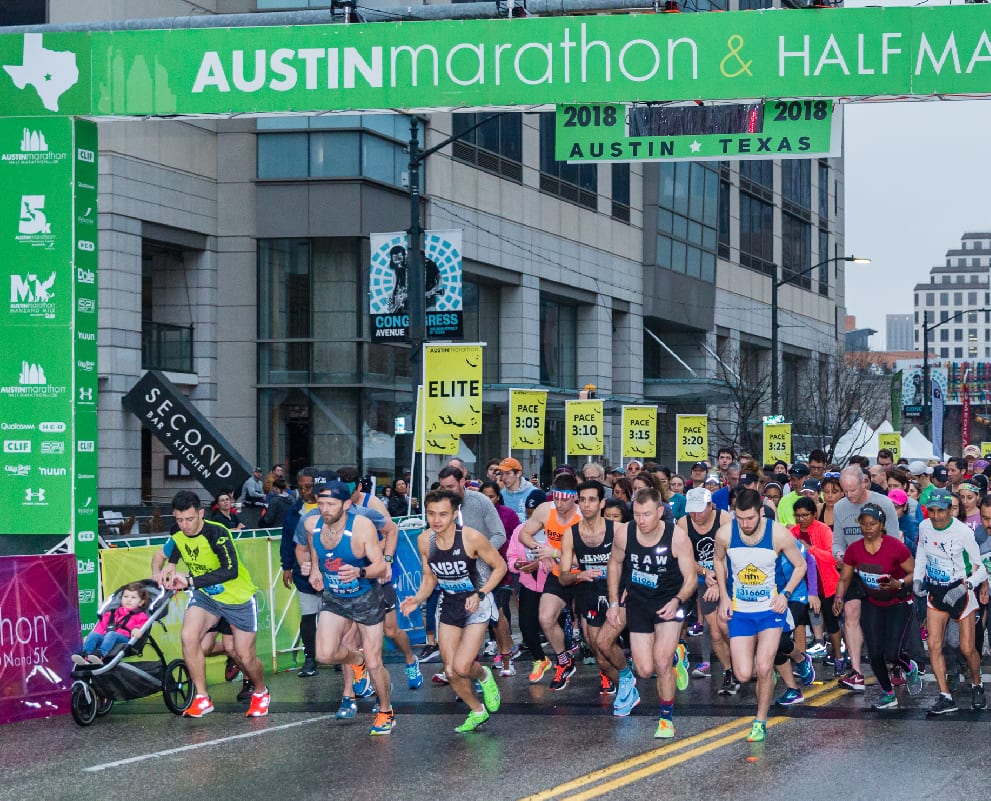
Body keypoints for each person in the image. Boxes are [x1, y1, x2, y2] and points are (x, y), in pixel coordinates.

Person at [152, 490, 269, 718]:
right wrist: (160, 571)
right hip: (207, 597)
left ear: (201, 514)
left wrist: (190, 580)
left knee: (243, 654)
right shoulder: (178, 535)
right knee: (189, 637)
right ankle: (202, 698)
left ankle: (261, 691)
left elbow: (230, 570)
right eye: (179, 519)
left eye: (189, 519)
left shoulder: (217, 532)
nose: (184, 525)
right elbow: (163, 554)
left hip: (237, 598)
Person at [399, 489, 507, 733]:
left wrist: (480, 594)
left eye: (443, 514)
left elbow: (500, 567)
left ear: (455, 514)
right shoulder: (425, 540)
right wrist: (417, 599)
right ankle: (477, 711)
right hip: (450, 602)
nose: (436, 520)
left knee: (462, 666)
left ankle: (484, 676)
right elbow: (429, 577)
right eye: (431, 514)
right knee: (450, 670)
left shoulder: (471, 537)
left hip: (476, 603)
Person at [714, 487, 806, 743]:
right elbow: (718, 560)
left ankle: (760, 721)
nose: (744, 524)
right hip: (740, 610)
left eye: (750, 518)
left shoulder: (777, 534)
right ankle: (770, 676)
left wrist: (785, 594)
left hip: (769, 610)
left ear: (761, 513)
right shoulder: (725, 534)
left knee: (764, 666)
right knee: (743, 674)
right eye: (740, 518)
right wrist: (723, 595)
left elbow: (801, 565)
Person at [305, 480, 396, 735]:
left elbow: (380, 567)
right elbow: (315, 548)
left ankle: (386, 711)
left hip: (365, 597)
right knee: (324, 654)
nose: (324, 509)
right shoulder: (312, 524)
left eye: (331, 504)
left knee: (376, 662)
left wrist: (360, 571)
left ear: (346, 504)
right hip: (335, 598)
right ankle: (357, 661)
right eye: (321, 503)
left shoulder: (362, 527)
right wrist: (314, 568)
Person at [606, 487, 696, 739]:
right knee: (645, 670)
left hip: (669, 602)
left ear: (659, 512)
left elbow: (690, 579)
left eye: (646, 514)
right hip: (638, 602)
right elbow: (614, 563)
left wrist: (678, 600)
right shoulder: (625, 533)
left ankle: (666, 719)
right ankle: (677, 657)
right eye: (636, 514)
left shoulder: (677, 537)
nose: (641, 520)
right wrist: (614, 602)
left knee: (661, 660)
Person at [833, 503, 921, 711]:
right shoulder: (855, 550)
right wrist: (839, 597)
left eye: (872, 524)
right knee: (874, 652)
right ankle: (888, 693)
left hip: (899, 602)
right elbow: (845, 578)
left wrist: (898, 584)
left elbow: (914, 572)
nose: (868, 528)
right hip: (873, 602)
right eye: (863, 524)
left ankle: (910, 666)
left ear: (881, 525)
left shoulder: (895, 547)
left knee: (892, 653)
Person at [558, 480, 633, 711]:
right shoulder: (571, 534)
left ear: (601, 503)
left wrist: (629, 588)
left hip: (617, 595)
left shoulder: (619, 530)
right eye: (583, 500)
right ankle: (627, 690)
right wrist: (579, 574)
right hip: (588, 595)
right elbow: (562, 577)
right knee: (601, 658)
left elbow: (635, 561)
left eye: (592, 500)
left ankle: (628, 676)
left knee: (605, 642)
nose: (587, 504)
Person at [913, 488, 989, 716]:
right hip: (936, 593)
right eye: (932, 511)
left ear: (950, 510)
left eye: (941, 511)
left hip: (961, 595)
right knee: (934, 646)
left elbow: (982, 568)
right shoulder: (924, 526)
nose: (936, 516)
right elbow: (922, 553)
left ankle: (977, 684)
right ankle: (945, 696)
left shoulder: (963, 532)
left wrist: (966, 586)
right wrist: (917, 579)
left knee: (967, 648)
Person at [832, 465, 899, 689]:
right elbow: (837, 541)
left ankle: (895, 663)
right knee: (850, 614)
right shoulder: (840, 507)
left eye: (852, 490)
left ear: (864, 483)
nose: (848, 495)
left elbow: (895, 542)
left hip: (879, 569)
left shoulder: (884, 503)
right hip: (852, 569)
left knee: (882, 621)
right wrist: (839, 555)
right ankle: (857, 672)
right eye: (844, 490)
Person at [518, 473, 583, 690]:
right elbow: (524, 534)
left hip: (583, 575)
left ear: (575, 498)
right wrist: (540, 551)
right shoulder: (546, 510)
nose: (560, 503)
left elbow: (591, 556)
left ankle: (606, 672)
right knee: (545, 618)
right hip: (558, 575)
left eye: (565, 499)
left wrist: (553, 552)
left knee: (593, 634)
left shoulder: (584, 516)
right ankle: (564, 661)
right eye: (556, 498)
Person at [676, 488, 737, 695]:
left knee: (727, 626)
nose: (695, 516)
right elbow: (684, 557)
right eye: (691, 511)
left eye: (699, 511)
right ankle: (729, 671)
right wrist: (705, 572)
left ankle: (744, 661)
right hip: (704, 577)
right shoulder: (684, 523)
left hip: (729, 576)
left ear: (711, 506)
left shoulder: (724, 518)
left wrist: (719, 583)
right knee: (714, 629)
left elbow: (733, 555)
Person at [279, 468, 321, 679]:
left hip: (330, 571)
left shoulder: (329, 507)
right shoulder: (294, 511)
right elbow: (287, 539)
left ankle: (339, 656)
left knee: (334, 616)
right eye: (301, 487)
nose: (305, 491)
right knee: (308, 615)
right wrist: (286, 565)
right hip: (302, 573)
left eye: (309, 486)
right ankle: (310, 657)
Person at [791, 496, 841, 663]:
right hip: (801, 585)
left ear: (813, 514)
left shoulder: (824, 529)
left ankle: (838, 656)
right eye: (798, 515)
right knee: (800, 622)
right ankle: (802, 659)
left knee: (831, 621)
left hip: (826, 583)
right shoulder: (793, 532)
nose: (801, 519)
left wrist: (811, 549)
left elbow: (833, 557)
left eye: (805, 515)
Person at [73, 582, 150, 665]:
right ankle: (85, 654)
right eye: (125, 596)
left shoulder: (141, 615)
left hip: (125, 639)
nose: (129, 600)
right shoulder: (111, 614)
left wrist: (137, 629)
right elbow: (101, 627)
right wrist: (90, 639)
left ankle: (100, 654)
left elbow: (142, 625)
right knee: (93, 635)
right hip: (107, 637)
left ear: (141, 602)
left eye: (133, 597)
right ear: (121, 599)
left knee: (111, 634)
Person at [499, 457, 542, 524]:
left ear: (518, 473)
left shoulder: (534, 493)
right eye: (501, 474)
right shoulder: (500, 494)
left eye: (508, 473)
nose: (503, 478)